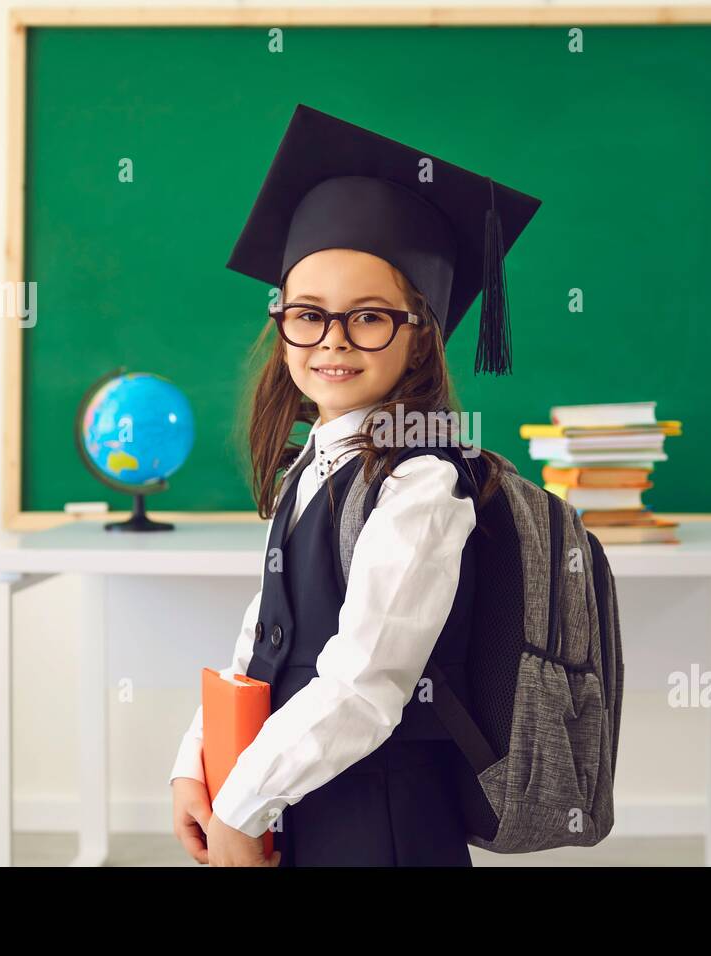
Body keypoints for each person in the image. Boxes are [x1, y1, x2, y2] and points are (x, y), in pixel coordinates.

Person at [169, 104, 540, 866]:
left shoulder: (423, 485)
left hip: (381, 822)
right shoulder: (315, 463)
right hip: (293, 798)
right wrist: (196, 762)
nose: (333, 340)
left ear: (420, 332)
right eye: (309, 314)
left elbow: (367, 684)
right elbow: (264, 636)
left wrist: (240, 806)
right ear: (282, 325)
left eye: (370, 317)